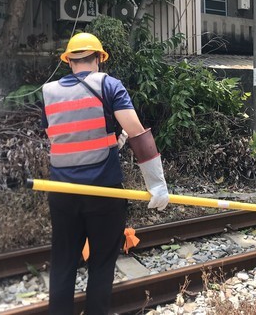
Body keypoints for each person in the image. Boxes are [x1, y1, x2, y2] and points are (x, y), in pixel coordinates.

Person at [40, 32, 170, 315]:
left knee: (63, 262)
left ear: (69, 61)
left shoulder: (49, 92)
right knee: (101, 264)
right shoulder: (109, 85)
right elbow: (136, 132)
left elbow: (63, 140)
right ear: (99, 58)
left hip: (62, 194)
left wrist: (112, 143)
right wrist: (156, 184)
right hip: (103, 193)